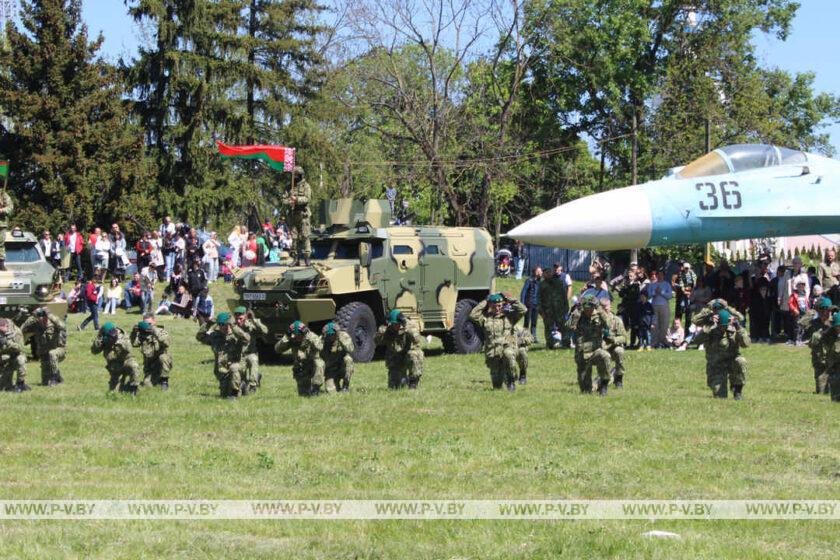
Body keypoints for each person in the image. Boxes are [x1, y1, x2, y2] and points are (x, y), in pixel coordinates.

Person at [469, 293, 527, 392]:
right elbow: (472, 315)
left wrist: (509, 299)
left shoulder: (509, 317)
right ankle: (504, 376)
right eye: (494, 305)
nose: (498, 307)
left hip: (507, 349)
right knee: (497, 387)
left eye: (500, 305)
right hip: (493, 354)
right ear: (490, 305)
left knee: (508, 354)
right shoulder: (485, 319)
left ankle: (511, 380)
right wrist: (485, 302)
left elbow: (523, 310)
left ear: (503, 305)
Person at [694, 309, 748, 399]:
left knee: (741, 361)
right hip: (716, 365)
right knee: (720, 397)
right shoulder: (711, 328)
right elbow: (697, 341)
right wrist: (708, 326)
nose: (723, 328)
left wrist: (738, 327)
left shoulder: (735, 328)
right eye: (721, 326)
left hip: (731, 361)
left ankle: (737, 390)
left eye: (725, 326)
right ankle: (719, 386)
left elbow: (746, 344)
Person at [196, 312, 250, 399]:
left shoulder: (236, 335)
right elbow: (199, 337)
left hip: (237, 367)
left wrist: (233, 326)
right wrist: (208, 324)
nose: (221, 327)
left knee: (234, 369)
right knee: (224, 395)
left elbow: (246, 339)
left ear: (228, 324)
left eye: (223, 324)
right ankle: (242, 385)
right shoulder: (215, 336)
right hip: (222, 371)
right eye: (219, 324)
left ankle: (235, 393)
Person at [566, 295, 612, 395]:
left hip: (596, 350)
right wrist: (576, 312)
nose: (588, 311)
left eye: (590, 308)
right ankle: (594, 384)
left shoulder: (599, 314)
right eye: (586, 308)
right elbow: (569, 326)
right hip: (582, 352)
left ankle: (604, 384)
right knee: (586, 391)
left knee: (605, 356)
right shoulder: (579, 314)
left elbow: (609, 325)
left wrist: (600, 310)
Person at [375, 310, 424, 389]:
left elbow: (417, 340)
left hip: (409, 355)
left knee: (414, 354)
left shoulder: (409, 325)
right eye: (393, 324)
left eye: (396, 324)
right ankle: (404, 379)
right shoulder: (388, 329)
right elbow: (377, 342)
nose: (395, 326)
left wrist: (407, 329)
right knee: (394, 387)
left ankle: (413, 382)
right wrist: (381, 333)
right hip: (396, 358)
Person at [274, 320, 324, 396]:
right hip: (301, 367)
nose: (297, 337)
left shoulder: (311, 337)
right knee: (304, 395)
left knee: (319, 363)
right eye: (295, 335)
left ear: (304, 333)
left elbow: (320, 347)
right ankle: (307, 389)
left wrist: (311, 340)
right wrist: (286, 338)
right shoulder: (291, 339)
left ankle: (315, 388)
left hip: (313, 364)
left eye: (299, 335)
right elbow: (277, 349)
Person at [91, 322, 140, 395]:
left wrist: (117, 341)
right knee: (114, 393)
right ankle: (123, 387)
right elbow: (94, 351)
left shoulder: (122, 335)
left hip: (126, 360)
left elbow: (128, 348)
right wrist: (100, 341)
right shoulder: (103, 338)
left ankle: (134, 388)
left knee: (134, 366)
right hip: (114, 365)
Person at [21, 307, 66, 386]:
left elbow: (62, 326)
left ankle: (54, 377)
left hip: (58, 350)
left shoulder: (53, 322)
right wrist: (31, 318)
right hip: (44, 353)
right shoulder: (35, 324)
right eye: (38, 317)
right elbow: (22, 329)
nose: (41, 319)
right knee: (44, 382)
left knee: (52, 354)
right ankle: (59, 378)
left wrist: (51, 315)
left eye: (43, 316)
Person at [801, 297, 837, 394]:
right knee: (821, 392)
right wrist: (813, 312)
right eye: (825, 310)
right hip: (819, 360)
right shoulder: (813, 323)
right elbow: (801, 323)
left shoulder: (835, 322)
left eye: (830, 311)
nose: (828, 313)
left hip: (833, 360)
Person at [130, 317, 172, 390]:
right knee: (147, 385)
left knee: (163, 357)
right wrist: (134, 332)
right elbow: (133, 344)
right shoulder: (142, 335)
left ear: (154, 322)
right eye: (145, 324)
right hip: (150, 366)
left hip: (161, 363)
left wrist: (154, 331)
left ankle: (164, 381)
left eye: (149, 324)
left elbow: (167, 343)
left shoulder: (161, 331)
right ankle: (156, 378)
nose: (148, 326)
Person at [234, 306, 268, 395]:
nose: (238, 321)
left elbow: (265, 331)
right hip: (239, 356)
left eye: (240, 318)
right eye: (236, 318)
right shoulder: (233, 327)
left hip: (251, 353)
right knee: (241, 378)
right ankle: (255, 378)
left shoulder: (252, 325)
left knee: (253, 360)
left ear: (245, 316)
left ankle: (253, 386)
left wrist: (254, 320)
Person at [539, 263, 572, 349]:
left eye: (549, 272)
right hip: (548, 311)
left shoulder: (559, 282)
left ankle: (566, 343)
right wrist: (541, 311)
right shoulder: (542, 284)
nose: (548, 274)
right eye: (546, 273)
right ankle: (550, 344)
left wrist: (566, 307)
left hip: (559, 310)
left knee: (563, 327)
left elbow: (564, 296)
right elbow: (539, 299)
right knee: (548, 328)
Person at [286, 166, 312, 266]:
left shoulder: (306, 186)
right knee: (294, 237)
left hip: (303, 215)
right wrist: (289, 201)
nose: (295, 177)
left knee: (305, 236)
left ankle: (307, 258)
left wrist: (296, 199)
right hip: (292, 215)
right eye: (294, 175)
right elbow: (284, 199)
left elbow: (307, 198)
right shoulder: (289, 187)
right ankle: (295, 258)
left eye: (297, 175)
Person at [321, 321, 355, 392]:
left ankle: (345, 385)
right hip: (331, 369)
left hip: (342, 366)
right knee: (330, 391)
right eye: (329, 335)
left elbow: (351, 349)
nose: (331, 336)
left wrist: (341, 339)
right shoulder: (322, 340)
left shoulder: (343, 336)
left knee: (348, 360)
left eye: (333, 334)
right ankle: (335, 384)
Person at [601, 298, 627, 388]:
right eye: (602, 307)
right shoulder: (595, 321)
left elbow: (624, 337)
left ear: (610, 306)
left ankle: (618, 379)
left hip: (612, 347)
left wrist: (614, 340)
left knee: (620, 351)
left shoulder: (616, 320)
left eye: (606, 306)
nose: (605, 309)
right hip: (599, 348)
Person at [646, 270, 673, 348]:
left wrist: (661, 292)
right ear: (656, 276)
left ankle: (662, 341)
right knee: (654, 325)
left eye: (662, 275)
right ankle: (654, 342)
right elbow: (648, 296)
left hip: (664, 306)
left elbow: (670, 296)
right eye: (659, 275)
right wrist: (655, 292)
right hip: (654, 306)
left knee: (664, 324)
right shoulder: (652, 285)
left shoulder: (667, 284)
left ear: (663, 276)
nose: (660, 276)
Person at [0, 318, 28, 392]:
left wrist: (7, 342)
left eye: (2, 329)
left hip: (15, 357)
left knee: (21, 359)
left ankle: (20, 383)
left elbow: (20, 348)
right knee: (3, 388)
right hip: (3, 359)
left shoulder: (16, 332)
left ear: (6, 325)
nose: (1, 332)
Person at [519, 267, 541, 342]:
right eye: (539, 271)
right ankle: (524, 337)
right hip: (529, 304)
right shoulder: (529, 280)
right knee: (527, 321)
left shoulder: (540, 281)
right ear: (535, 272)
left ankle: (533, 337)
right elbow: (523, 292)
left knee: (534, 322)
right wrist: (522, 303)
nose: (540, 273)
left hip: (536, 304)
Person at [674, 262, 697, 333]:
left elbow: (695, 284)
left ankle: (687, 333)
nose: (685, 269)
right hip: (682, 295)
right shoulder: (681, 274)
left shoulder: (693, 274)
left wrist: (691, 292)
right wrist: (684, 291)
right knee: (679, 313)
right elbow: (681, 283)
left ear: (689, 268)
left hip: (690, 295)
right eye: (684, 268)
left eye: (687, 268)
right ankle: (677, 332)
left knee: (688, 316)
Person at [823, 311, 840, 402]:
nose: (839, 329)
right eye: (837, 327)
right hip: (834, 361)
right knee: (834, 378)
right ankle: (835, 398)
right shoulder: (829, 334)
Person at [788, 280, 811, 345]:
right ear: (797, 287)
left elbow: (806, 304)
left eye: (802, 286)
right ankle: (796, 340)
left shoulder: (804, 294)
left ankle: (800, 339)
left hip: (804, 313)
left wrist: (808, 311)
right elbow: (790, 303)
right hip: (797, 313)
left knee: (803, 327)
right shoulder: (794, 294)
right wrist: (794, 309)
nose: (801, 287)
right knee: (797, 327)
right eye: (800, 286)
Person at [0, 186, 13, 270]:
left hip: (1, 224)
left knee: (0, 244)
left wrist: (2, 210)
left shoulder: (3, 194)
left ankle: (1, 263)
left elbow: (10, 207)